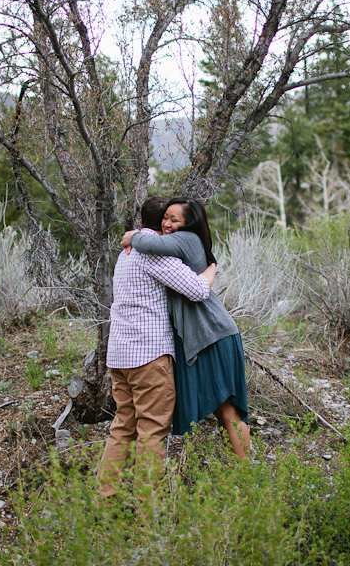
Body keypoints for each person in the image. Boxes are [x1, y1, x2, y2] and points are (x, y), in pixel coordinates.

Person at [97, 197, 217, 498]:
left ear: (140, 223)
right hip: (148, 357)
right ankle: (148, 511)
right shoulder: (154, 256)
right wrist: (212, 265)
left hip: (119, 356)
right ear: (162, 227)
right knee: (152, 431)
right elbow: (198, 290)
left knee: (123, 426)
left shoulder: (126, 253)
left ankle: (105, 499)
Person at [122, 196, 250, 458]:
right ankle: (241, 473)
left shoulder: (186, 239)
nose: (166, 223)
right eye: (164, 218)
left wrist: (131, 236)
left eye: (174, 219)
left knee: (227, 411)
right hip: (204, 334)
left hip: (212, 333)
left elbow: (148, 242)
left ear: (189, 223)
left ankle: (247, 477)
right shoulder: (179, 242)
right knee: (221, 411)